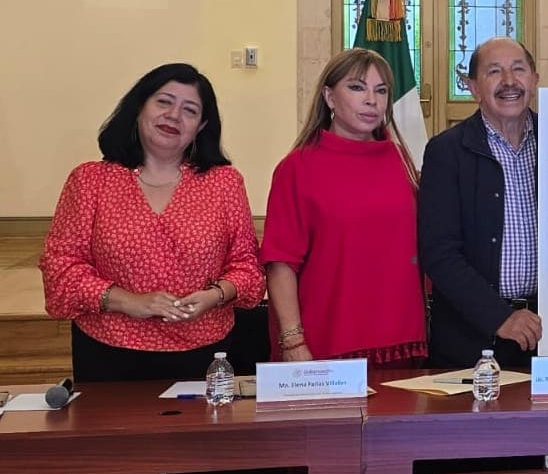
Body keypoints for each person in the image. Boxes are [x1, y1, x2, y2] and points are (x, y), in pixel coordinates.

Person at [40, 63, 266, 383]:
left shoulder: (224, 182)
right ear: (139, 107)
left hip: (205, 353)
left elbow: (248, 267)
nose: (174, 116)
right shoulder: (91, 180)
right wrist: (128, 301)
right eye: (163, 102)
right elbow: (60, 268)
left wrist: (215, 295)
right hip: (108, 349)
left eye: (189, 110)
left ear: (201, 126)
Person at [260, 48, 426, 367]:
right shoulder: (297, 168)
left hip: (401, 341)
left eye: (381, 90)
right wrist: (293, 341)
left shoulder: (399, 160)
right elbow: (280, 262)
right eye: (357, 87)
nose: (371, 100)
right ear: (329, 97)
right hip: (326, 342)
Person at [419, 37, 542, 369]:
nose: (509, 81)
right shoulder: (446, 152)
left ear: (534, 80)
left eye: (518, 69)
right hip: (473, 339)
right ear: (473, 87)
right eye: (494, 71)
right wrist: (500, 317)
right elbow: (439, 252)